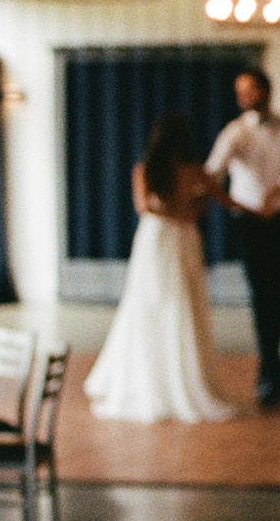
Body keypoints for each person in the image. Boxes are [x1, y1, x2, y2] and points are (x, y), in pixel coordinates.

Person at [84, 112, 235, 423]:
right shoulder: (193, 170)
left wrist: (182, 209)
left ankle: (154, 380)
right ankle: (177, 380)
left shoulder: (146, 168)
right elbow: (218, 200)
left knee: (156, 305)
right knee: (176, 305)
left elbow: (144, 206)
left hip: (158, 237)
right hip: (179, 237)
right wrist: (187, 210)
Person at [205, 68, 280, 407]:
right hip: (250, 223)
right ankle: (269, 374)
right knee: (261, 297)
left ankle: (272, 373)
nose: (243, 97)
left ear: (267, 91)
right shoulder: (235, 132)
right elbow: (213, 171)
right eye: (239, 91)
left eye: (250, 90)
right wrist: (232, 200)